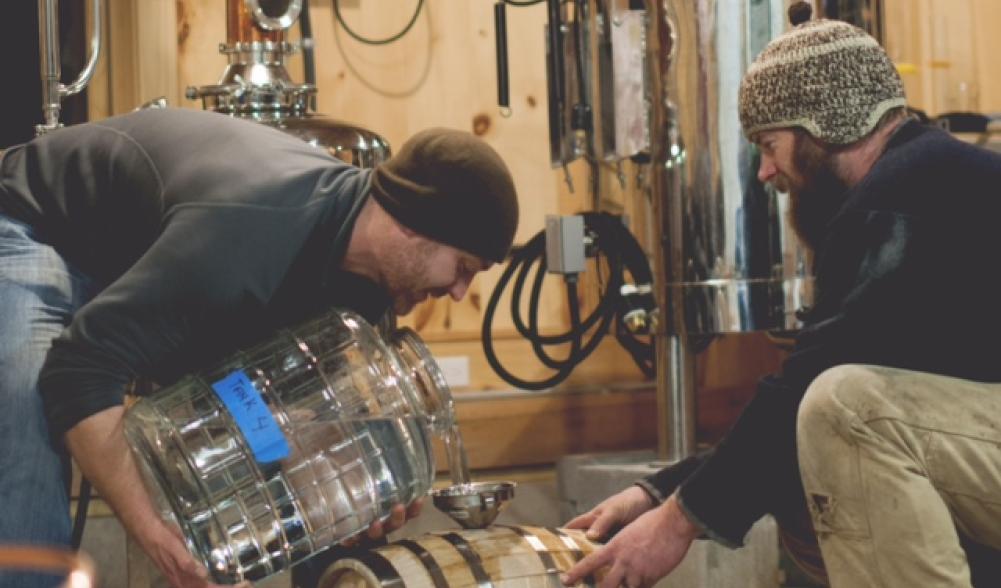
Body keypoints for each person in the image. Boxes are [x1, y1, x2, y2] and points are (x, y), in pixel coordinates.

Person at [561, 10, 1001, 588]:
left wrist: (674, 523)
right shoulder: (931, 181)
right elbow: (805, 404)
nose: (765, 172)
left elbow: (811, 391)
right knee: (824, 429)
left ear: (824, 124)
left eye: (769, 144)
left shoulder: (897, 198)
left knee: (844, 409)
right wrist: (661, 490)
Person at [0, 107, 519, 588]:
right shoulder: (252, 232)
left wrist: (343, 504)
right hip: (35, 223)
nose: (458, 293)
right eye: (464, 268)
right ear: (414, 225)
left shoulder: (361, 298)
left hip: (146, 265)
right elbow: (79, 371)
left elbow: (262, 408)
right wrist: (156, 535)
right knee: (27, 407)